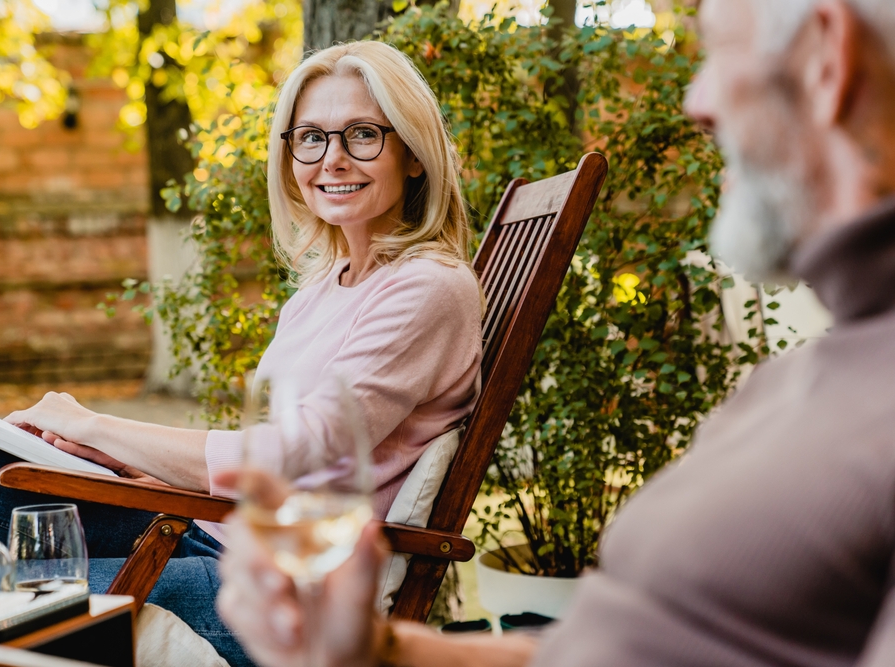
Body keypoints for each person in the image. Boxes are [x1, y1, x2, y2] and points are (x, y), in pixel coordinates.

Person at [216, 0, 895, 665]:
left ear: (827, 60)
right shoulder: (798, 380)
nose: (698, 101)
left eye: (718, 51)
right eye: (310, 137)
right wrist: (383, 651)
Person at [0, 40, 483, 666]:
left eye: (363, 135)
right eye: (310, 138)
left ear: (413, 155)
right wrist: (109, 457)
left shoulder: (427, 288)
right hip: (214, 530)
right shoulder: (324, 288)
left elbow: (295, 458)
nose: (332, 159)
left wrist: (94, 424)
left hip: (280, 590)